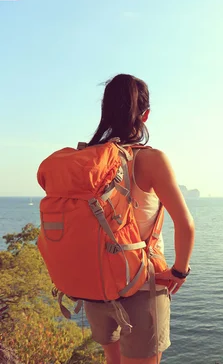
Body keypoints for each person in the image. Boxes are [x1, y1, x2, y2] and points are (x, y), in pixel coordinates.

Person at [82, 74, 195, 364]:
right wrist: (179, 271)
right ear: (145, 115)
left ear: (104, 112)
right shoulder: (151, 159)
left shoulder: (88, 159)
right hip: (141, 283)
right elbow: (185, 224)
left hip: (96, 283)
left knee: (113, 361)